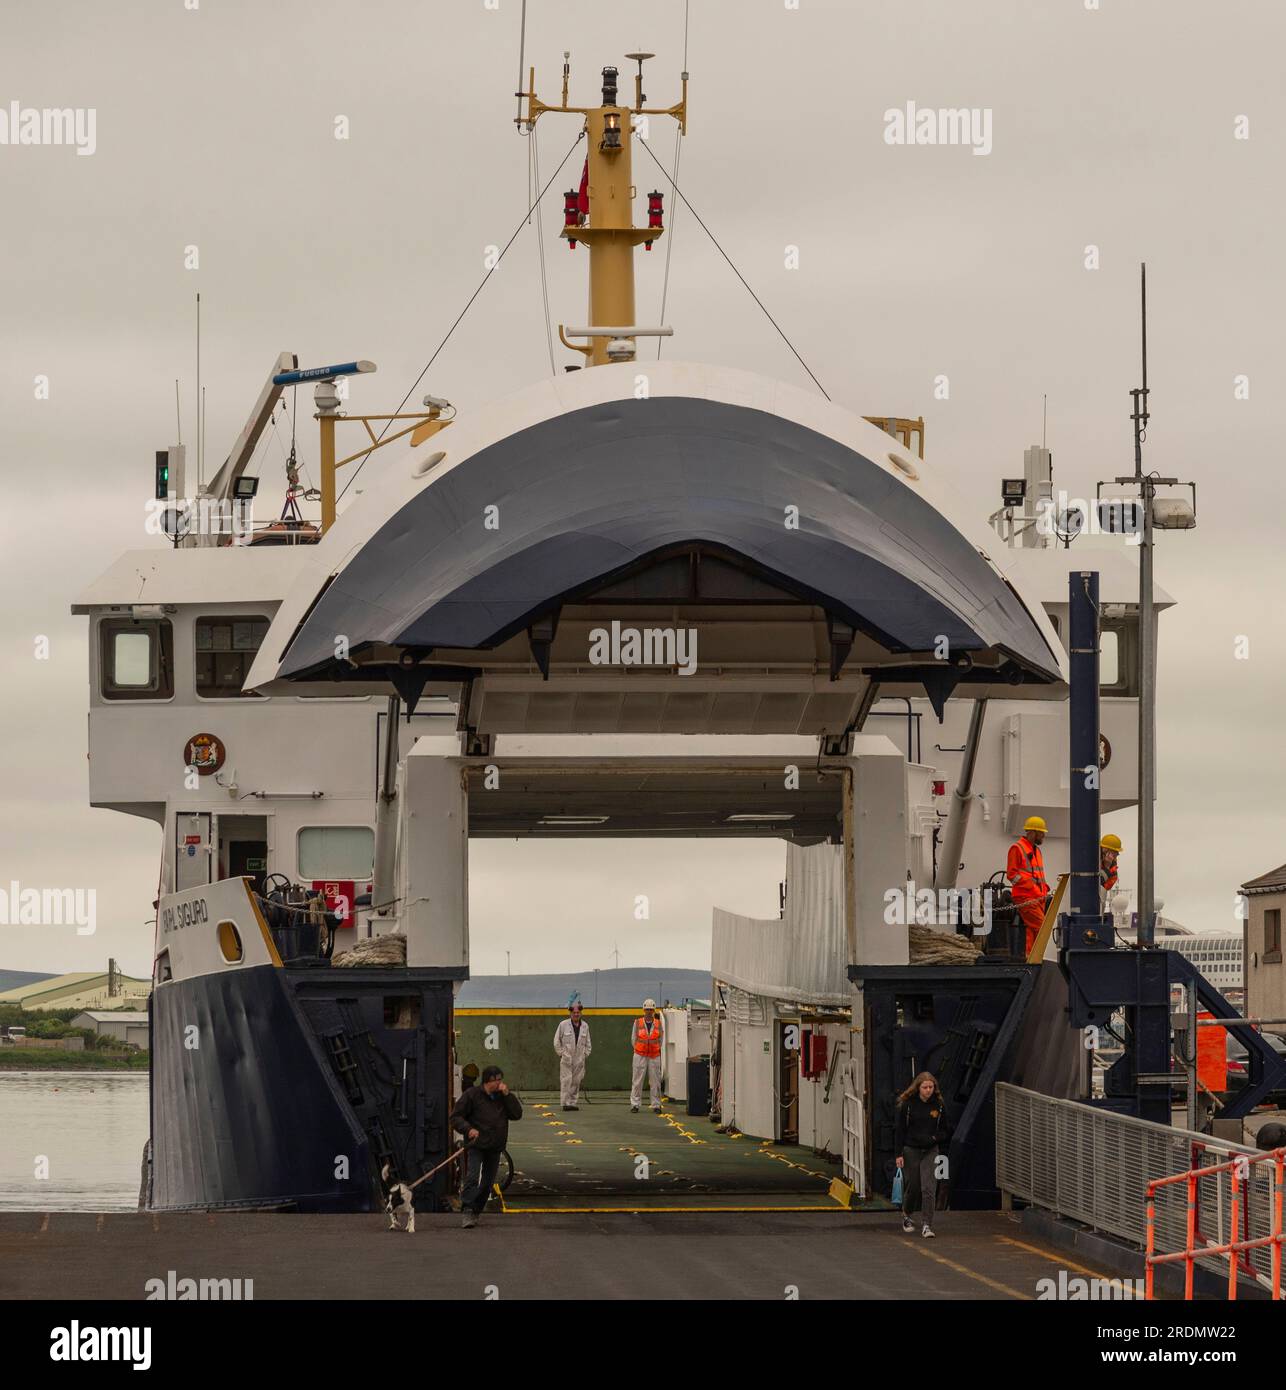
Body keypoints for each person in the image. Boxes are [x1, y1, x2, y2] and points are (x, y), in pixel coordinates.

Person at [451, 1064, 522, 1229]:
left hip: (495, 1146)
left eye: (500, 1080)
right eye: (496, 1081)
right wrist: (468, 1130)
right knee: (472, 1177)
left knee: (488, 1183)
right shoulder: (472, 1095)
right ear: (487, 1081)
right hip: (477, 1144)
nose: (499, 1083)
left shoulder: (502, 1097)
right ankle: (468, 1209)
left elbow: (517, 1114)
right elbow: (455, 1117)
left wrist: (508, 1095)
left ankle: (477, 1209)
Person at [894, 1071, 950, 1238]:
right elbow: (900, 1130)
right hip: (911, 1149)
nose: (928, 1090)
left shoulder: (939, 1105)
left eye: (931, 1087)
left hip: (931, 1150)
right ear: (918, 1088)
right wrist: (898, 1154)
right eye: (925, 1087)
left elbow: (945, 1130)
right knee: (914, 1186)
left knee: (929, 1188)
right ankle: (907, 1213)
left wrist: (935, 1138)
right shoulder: (908, 1105)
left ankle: (927, 1224)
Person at [1006, 815, 1051, 956]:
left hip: (1038, 897)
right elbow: (1012, 875)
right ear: (1032, 832)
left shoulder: (1036, 851)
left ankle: (1031, 958)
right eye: (1041, 832)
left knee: (1032, 930)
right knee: (1042, 928)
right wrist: (1031, 885)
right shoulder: (1017, 848)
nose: (1043, 835)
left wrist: (1044, 887)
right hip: (1026, 897)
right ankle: (1038, 958)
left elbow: (1037, 874)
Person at [553, 1002, 592, 1110]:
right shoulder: (563, 1025)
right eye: (574, 1012)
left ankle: (573, 1103)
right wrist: (561, 1054)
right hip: (566, 1058)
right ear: (570, 1013)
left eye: (578, 1012)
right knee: (566, 1080)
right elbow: (556, 1041)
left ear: (581, 1013)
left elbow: (588, 1043)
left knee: (576, 1081)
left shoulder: (585, 1026)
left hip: (579, 1059)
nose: (576, 1014)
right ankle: (565, 1103)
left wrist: (585, 1055)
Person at [630, 999, 664, 1113]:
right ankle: (635, 1104)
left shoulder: (659, 1024)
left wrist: (656, 1049)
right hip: (640, 1055)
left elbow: (661, 1040)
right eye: (647, 1009)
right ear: (644, 1010)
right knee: (637, 1080)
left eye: (651, 1009)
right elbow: (633, 1039)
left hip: (654, 1056)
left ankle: (656, 1105)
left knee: (656, 1081)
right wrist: (639, 1049)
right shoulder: (637, 1022)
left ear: (654, 1010)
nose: (649, 1011)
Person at [1099, 833, 1122, 905]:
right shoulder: (1093, 859)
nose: (1114, 857)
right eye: (1114, 854)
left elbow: (1104, 886)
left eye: (1116, 854)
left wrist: (1107, 868)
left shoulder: (1113, 870)